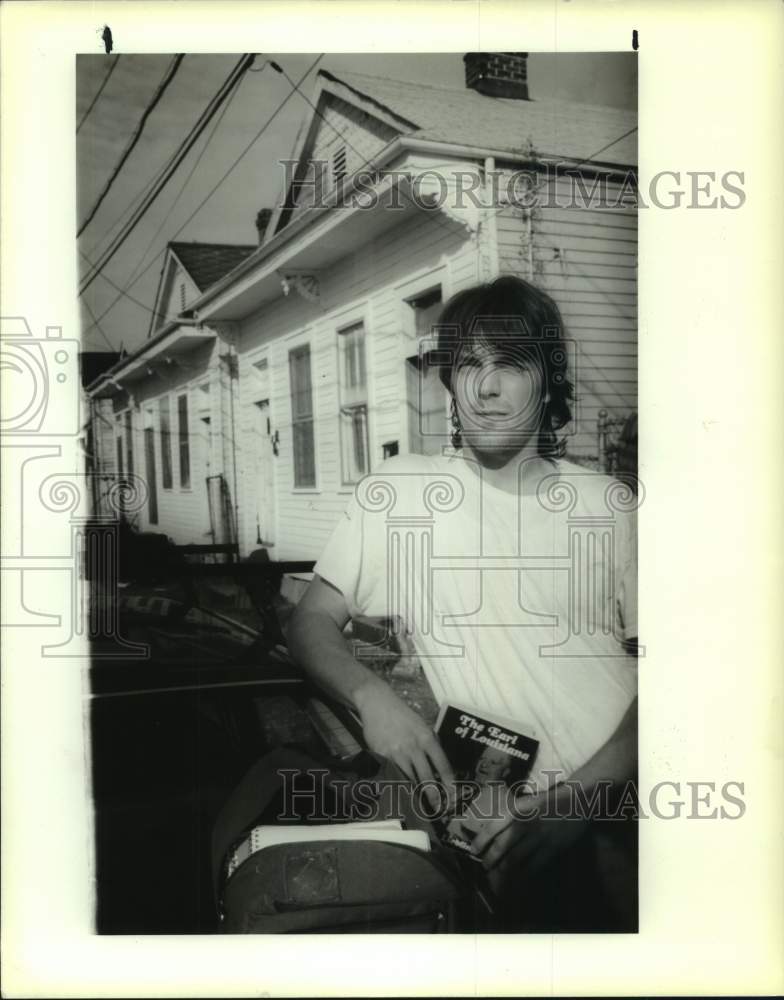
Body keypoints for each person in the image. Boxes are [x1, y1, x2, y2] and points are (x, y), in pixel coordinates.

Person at [287, 275, 639, 931]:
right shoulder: (400, 492)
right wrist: (373, 699)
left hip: (624, 808)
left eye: (511, 364)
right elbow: (310, 622)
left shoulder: (611, 505)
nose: (486, 387)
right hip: (500, 825)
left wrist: (574, 804)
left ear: (547, 379)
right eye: (469, 364)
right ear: (448, 381)